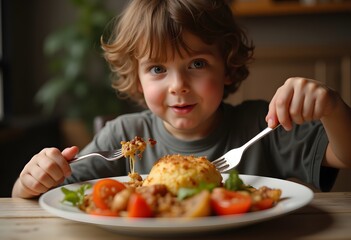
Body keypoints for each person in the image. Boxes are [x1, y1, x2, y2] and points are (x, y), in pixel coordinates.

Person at [12, 0, 351, 198]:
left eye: (197, 64)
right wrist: (28, 183)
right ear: (138, 78)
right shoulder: (123, 137)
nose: (178, 85)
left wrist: (332, 107)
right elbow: (50, 196)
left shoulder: (263, 126)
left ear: (228, 68)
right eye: (158, 68)